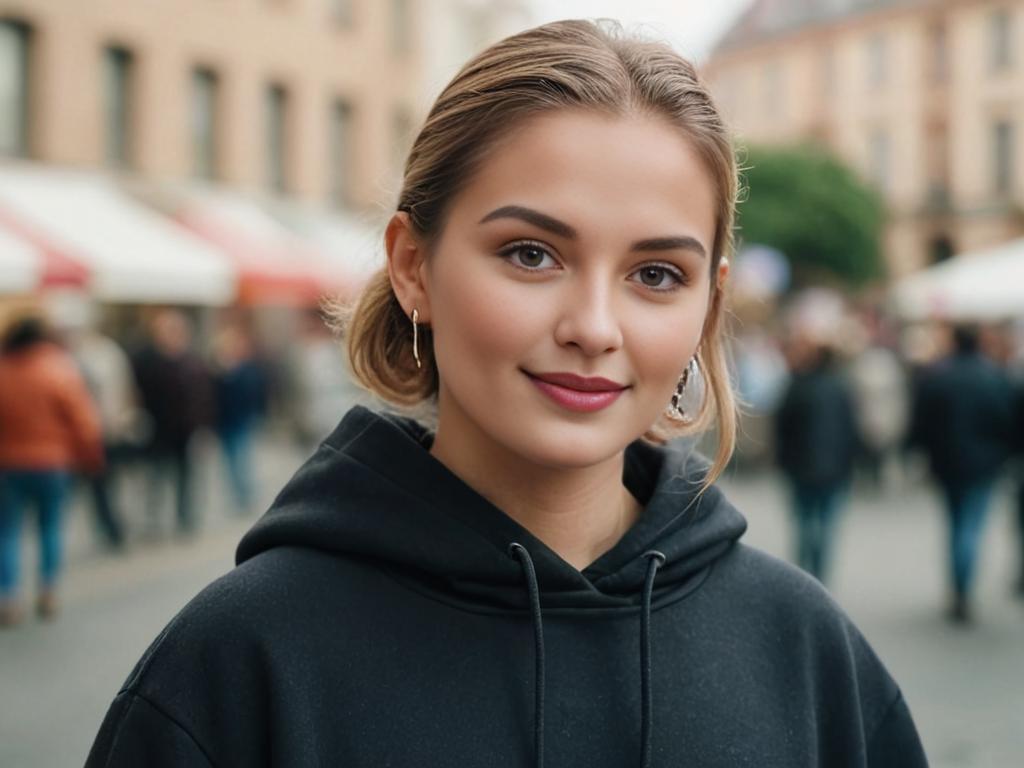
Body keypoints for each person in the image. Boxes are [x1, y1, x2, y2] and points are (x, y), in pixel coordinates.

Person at [86, 21, 926, 766]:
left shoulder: (807, 653)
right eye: (531, 253)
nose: (594, 326)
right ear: (414, 266)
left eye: (657, 274)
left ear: (711, 301)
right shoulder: (237, 664)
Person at [0, 314, 103, 626]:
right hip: (52, 462)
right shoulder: (58, 367)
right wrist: (92, 457)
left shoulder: (4, 369)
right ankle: (48, 589)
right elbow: (82, 420)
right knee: (51, 526)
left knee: (7, 531)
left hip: (8, 463)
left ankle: (8, 596)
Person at [908, 324, 1013, 624]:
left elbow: (922, 420)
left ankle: (958, 587)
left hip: (948, 463)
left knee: (956, 523)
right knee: (971, 525)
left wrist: (921, 452)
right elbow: (1009, 420)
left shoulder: (939, 377)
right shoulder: (994, 376)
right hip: (984, 465)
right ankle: (963, 588)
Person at [775, 334, 860, 584]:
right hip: (834, 469)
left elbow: (783, 428)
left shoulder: (797, 386)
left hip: (800, 467)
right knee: (826, 526)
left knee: (804, 524)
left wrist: (784, 461)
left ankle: (804, 575)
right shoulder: (840, 388)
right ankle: (820, 576)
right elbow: (850, 429)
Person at [131, 310, 213, 535]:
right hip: (156, 430)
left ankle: (185, 517)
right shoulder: (146, 360)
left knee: (185, 477)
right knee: (155, 478)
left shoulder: (192, 361)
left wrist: (203, 426)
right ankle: (154, 520)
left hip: (185, 430)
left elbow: (204, 396)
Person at [211, 324, 266, 515]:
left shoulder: (246, 369)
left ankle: (245, 495)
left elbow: (252, 393)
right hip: (224, 421)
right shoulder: (219, 370)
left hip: (241, 420)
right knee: (229, 461)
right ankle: (237, 495)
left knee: (241, 459)